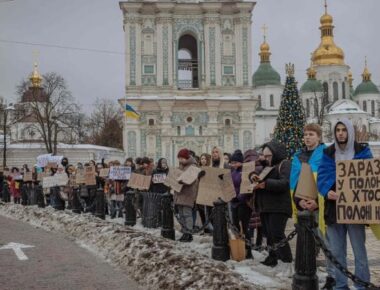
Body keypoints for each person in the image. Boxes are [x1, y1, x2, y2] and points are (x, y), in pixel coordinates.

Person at [317, 118, 379, 290]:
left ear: (350, 132)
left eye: (344, 130)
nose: (341, 133)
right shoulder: (328, 153)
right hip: (334, 209)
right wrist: (327, 191)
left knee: (359, 251)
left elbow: (370, 178)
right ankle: (340, 285)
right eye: (338, 130)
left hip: (355, 210)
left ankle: (361, 285)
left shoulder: (363, 152)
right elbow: (322, 176)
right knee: (337, 252)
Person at [290, 123, 335, 289]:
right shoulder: (297, 156)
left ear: (318, 137)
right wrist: (298, 200)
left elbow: (329, 180)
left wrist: (317, 201)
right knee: (306, 243)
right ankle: (307, 274)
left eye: (311, 134)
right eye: (306, 134)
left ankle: (332, 277)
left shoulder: (326, 154)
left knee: (326, 243)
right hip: (302, 207)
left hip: (320, 206)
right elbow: (293, 183)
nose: (308, 137)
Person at [253, 140, 293, 278]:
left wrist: (265, 184)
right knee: (270, 235)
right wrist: (255, 179)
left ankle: (287, 263)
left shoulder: (284, 164)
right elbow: (258, 176)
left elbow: (284, 183)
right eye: (264, 156)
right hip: (267, 206)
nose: (266, 158)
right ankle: (276, 260)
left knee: (278, 235)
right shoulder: (267, 166)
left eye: (269, 156)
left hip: (279, 206)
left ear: (276, 153)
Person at [230, 150, 254, 259]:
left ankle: (248, 251)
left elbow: (246, 187)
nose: (233, 164)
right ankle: (238, 250)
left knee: (245, 227)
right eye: (232, 162)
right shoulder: (233, 172)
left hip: (243, 203)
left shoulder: (246, 171)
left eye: (235, 162)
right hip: (234, 203)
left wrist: (238, 197)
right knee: (235, 226)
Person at [174, 148, 199, 242]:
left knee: (187, 214)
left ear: (186, 157)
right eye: (179, 158)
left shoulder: (193, 166)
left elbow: (192, 180)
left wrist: (182, 180)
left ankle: (188, 234)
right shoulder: (181, 166)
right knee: (181, 214)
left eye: (182, 158)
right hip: (179, 193)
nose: (180, 160)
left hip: (188, 193)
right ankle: (184, 232)